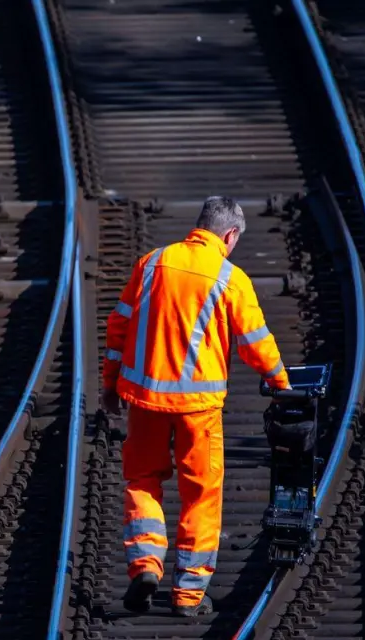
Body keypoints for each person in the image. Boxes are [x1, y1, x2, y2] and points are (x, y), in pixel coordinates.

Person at [101, 197, 291, 616]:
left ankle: (145, 566)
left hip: (145, 399)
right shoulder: (230, 277)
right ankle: (188, 594)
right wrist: (280, 383)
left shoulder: (151, 263)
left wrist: (109, 385)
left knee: (142, 480)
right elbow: (255, 342)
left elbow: (119, 325)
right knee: (201, 495)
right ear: (230, 235)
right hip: (198, 410)